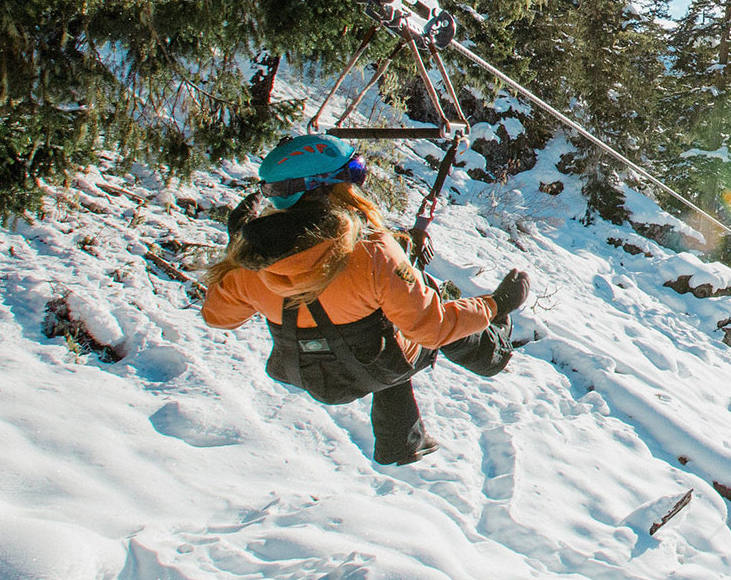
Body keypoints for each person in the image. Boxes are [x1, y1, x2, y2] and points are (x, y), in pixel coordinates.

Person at [202, 133, 530, 464]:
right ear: (331, 185)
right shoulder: (372, 254)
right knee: (429, 299)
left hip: (306, 371)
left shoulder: (251, 265)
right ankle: (493, 354)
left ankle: (402, 441)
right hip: (372, 367)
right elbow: (432, 328)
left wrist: (237, 250)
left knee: (381, 318)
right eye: (356, 170)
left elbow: (218, 316)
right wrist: (498, 303)